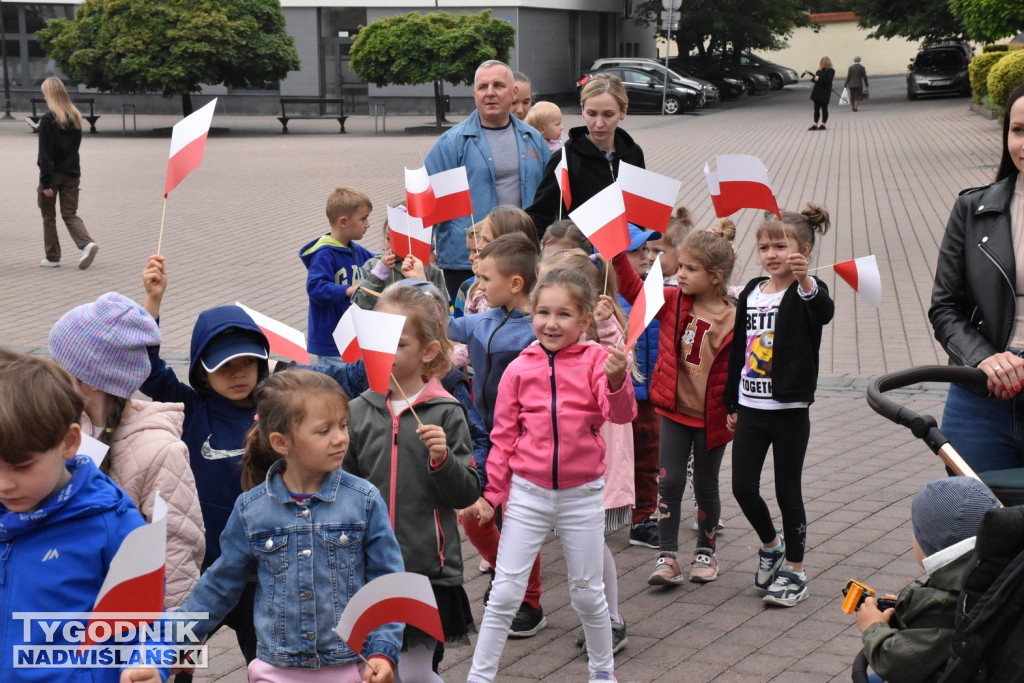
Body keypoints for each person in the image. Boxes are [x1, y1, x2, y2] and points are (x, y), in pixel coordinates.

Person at [132, 370, 404, 683]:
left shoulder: (364, 500)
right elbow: (219, 586)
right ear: (280, 441)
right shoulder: (252, 509)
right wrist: (165, 645)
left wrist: (383, 649)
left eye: (343, 425)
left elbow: (388, 580)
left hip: (352, 667)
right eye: (324, 430)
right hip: (276, 672)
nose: (340, 437)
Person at [463, 268, 636, 683]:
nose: (551, 323)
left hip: (582, 496)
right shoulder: (520, 368)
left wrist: (617, 380)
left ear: (584, 320)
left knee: (587, 595)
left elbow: (622, 413)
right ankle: (479, 677)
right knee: (504, 593)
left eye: (564, 315)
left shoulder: (598, 360)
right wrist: (492, 494)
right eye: (543, 312)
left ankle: (602, 673)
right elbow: (503, 439)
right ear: (532, 313)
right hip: (528, 495)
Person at [344, 284, 481, 681]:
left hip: (426, 568)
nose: (385, 350)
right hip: (367, 567)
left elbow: (465, 492)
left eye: (398, 342)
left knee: (417, 672)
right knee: (377, 669)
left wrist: (442, 460)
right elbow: (346, 489)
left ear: (428, 352)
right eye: (378, 339)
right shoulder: (356, 412)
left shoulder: (446, 411)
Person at [141, 254, 270, 666]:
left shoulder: (276, 408)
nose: (238, 374)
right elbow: (147, 370)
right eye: (224, 366)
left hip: (261, 570)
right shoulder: (190, 406)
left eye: (247, 363)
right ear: (200, 370)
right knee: (171, 657)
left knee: (267, 662)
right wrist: (153, 302)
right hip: (203, 570)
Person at [0, 350, 155, 683]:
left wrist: (148, 664)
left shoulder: (114, 523)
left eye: (21, 466)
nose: (4, 484)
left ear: (69, 442)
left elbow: (149, 623)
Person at [48, 292, 204, 609]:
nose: (53, 372)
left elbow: (177, 557)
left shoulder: (161, 451)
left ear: (89, 380)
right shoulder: (59, 428)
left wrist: (179, 650)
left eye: (60, 364)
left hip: (130, 634)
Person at [724, 205, 835, 607]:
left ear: (802, 250)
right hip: (751, 408)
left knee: (788, 490)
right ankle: (771, 545)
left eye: (780, 245)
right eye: (764, 246)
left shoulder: (807, 292)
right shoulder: (752, 291)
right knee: (741, 487)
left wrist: (807, 280)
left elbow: (823, 312)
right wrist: (730, 399)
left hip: (788, 411)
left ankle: (796, 570)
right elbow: (739, 348)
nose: (771, 254)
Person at [614, 224, 736, 585]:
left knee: (706, 484)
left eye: (690, 269)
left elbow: (740, 370)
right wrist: (618, 253)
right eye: (678, 265)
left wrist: (736, 409)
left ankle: (705, 551)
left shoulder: (734, 317)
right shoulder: (671, 300)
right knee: (668, 482)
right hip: (674, 412)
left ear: (715, 277)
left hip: (711, 418)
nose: (679, 273)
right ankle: (667, 557)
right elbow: (634, 290)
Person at [448, 233, 549, 638]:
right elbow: (442, 325)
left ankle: (530, 601)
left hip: (524, 441)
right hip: (483, 437)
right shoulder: (482, 319)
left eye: (486, 278)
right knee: (473, 516)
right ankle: (509, 575)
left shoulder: (539, 329)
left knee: (518, 523)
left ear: (516, 284)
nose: (478, 285)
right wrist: (422, 283)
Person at [538, 249, 633, 656]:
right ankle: (600, 616)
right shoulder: (551, 344)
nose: (549, 319)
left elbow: (619, 359)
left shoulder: (600, 345)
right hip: (563, 466)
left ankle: (611, 619)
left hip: (598, 464)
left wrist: (609, 324)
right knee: (583, 547)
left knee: (594, 546)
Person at [929, 83, 1024, 473]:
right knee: (966, 517)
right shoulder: (973, 209)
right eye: (1018, 130)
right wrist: (986, 358)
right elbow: (945, 307)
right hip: (983, 393)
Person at [425, 61, 549, 301]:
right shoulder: (452, 143)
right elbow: (425, 201)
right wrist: (424, 249)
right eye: (483, 87)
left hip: (522, 256)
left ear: (514, 92)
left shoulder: (533, 139)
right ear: (475, 95)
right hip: (466, 260)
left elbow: (549, 198)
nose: (490, 92)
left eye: (498, 85)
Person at [855, 477, 1000, 683]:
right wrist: (907, 608)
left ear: (928, 544)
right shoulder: (997, 571)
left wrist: (873, 627)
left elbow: (895, 662)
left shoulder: (952, 604)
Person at [527, 73, 645, 238]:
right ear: (582, 110)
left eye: (608, 115)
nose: (598, 123)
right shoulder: (566, 159)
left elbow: (639, 213)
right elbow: (539, 216)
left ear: (623, 111)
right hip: (582, 259)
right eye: (592, 113)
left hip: (626, 254)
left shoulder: (633, 153)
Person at [615, 226, 662, 552]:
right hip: (613, 396)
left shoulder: (659, 291)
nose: (646, 256)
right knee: (607, 458)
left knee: (648, 458)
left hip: (649, 398)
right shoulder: (604, 297)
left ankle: (643, 519)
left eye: (649, 250)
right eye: (637, 251)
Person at [299, 186, 375, 364]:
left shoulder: (356, 250)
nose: (368, 224)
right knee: (337, 387)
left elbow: (375, 262)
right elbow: (315, 287)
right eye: (363, 218)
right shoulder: (324, 254)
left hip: (353, 336)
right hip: (331, 342)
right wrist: (347, 290)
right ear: (343, 222)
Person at [36, 76, 98, 269]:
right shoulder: (75, 117)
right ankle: (86, 244)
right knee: (70, 214)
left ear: (49, 94)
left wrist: (45, 183)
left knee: (48, 216)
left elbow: (46, 154)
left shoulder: (48, 119)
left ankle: (53, 257)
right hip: (72, 172)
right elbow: (69, 145)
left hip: (52, 174)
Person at [351, 205, 448, 311]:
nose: (393, 246)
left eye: (401, 240)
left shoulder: (430, 270)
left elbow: (442, 315)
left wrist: (422, 282)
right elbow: (358, 305)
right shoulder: (372, 266)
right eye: (388, 239)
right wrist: (378, 275)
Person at [809, 57, 835, 131]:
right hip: (817, 91)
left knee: (824, 108)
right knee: (816, 109)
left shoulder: (831, 71)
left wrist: (819, 79)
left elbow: (828, 81)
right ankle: (815, 124)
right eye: (822, 64)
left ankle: (823, 124)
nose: (823, 65)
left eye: (824, 64)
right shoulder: (819, 71)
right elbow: (813, 80)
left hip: (825, 92)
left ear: (828, 64)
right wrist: (814, 78)